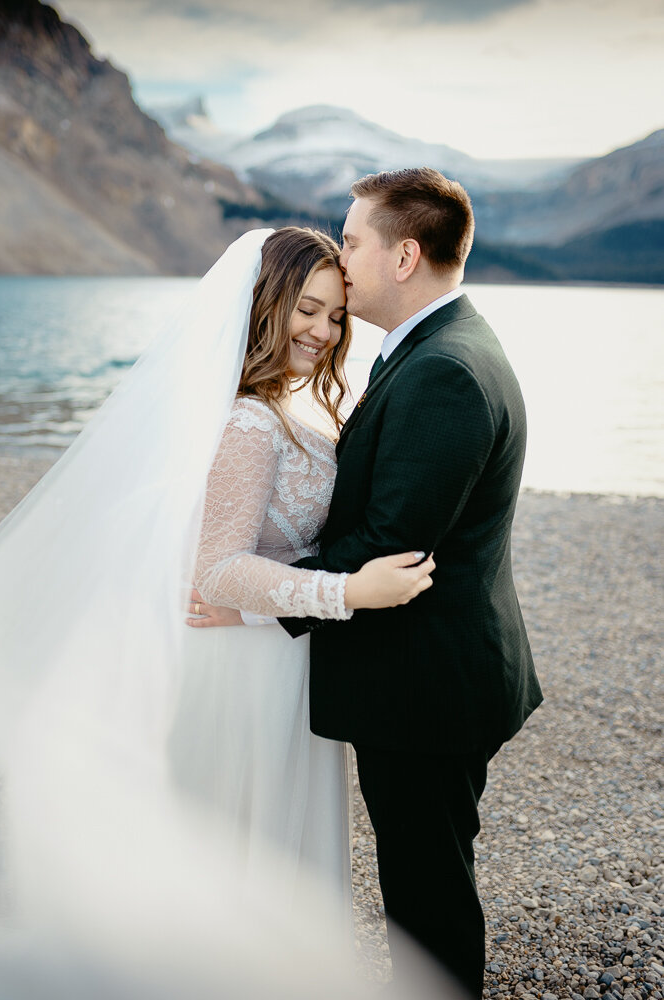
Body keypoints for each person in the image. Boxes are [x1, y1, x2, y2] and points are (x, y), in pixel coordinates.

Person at [0, 226, 435, 993]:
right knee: (245, 846)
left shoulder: (288, 409)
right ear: (265, 305)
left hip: (270, 653)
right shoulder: (247, 422)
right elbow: (218, 568)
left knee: (267, 856)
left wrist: (273, 607)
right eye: (306, 308)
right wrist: (346, 591)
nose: (321, 331)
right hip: (241, 677)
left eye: (335, 316)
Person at [190, 168, 544, 998]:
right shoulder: (430, 348)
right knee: (424, 880)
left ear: (404, 255)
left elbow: (391, 544)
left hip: (425, 681)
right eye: (308, 304)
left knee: (425, 899)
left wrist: (254, 610)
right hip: (428, 669)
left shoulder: (443, 370)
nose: (340, 262)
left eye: (350, 243)